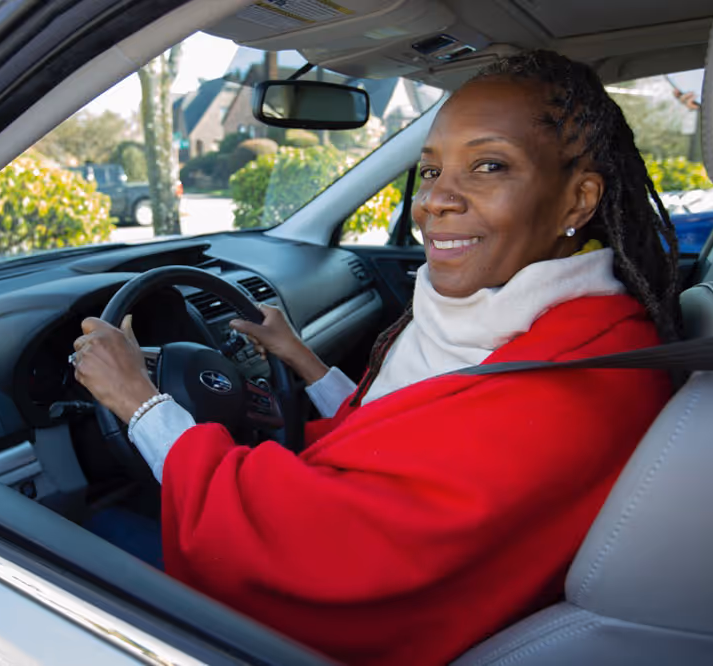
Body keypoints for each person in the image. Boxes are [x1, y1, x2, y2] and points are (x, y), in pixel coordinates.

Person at [70, 50, 678, 665]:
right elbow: (401, 429)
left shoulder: (571, 387)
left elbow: (317, 549)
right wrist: (301, 360)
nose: (436, 200)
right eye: (432, 170)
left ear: (578, 202)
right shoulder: (559, 325)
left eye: (489, 166)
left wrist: (140, 403)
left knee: (82, 544)